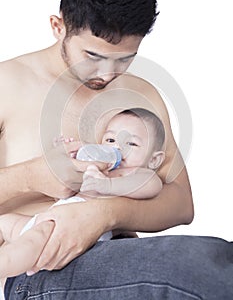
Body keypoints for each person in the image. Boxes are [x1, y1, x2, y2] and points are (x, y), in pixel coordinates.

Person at [1, 0, 231, 300]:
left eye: (125, 58)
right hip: (41, 267)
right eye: (93, 55)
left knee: (220, 255)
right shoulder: (7, 84)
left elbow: (181, 202)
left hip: (120, 257)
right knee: (198, 265)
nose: (107, 73)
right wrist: (33, 176)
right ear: (58, 26)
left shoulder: (142, 94)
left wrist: (104, 214)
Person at [0, 108, 166, 279]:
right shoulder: (95, 169)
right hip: (51, 217)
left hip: (69, 231)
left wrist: (107, 184)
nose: (117, 147)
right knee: (4, 222)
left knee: (30, 242)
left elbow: (152, 186)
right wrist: (68, 159)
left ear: (154, 160)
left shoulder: (137, 174)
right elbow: (63, 196)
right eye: (110, 139)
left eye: (131, 144)